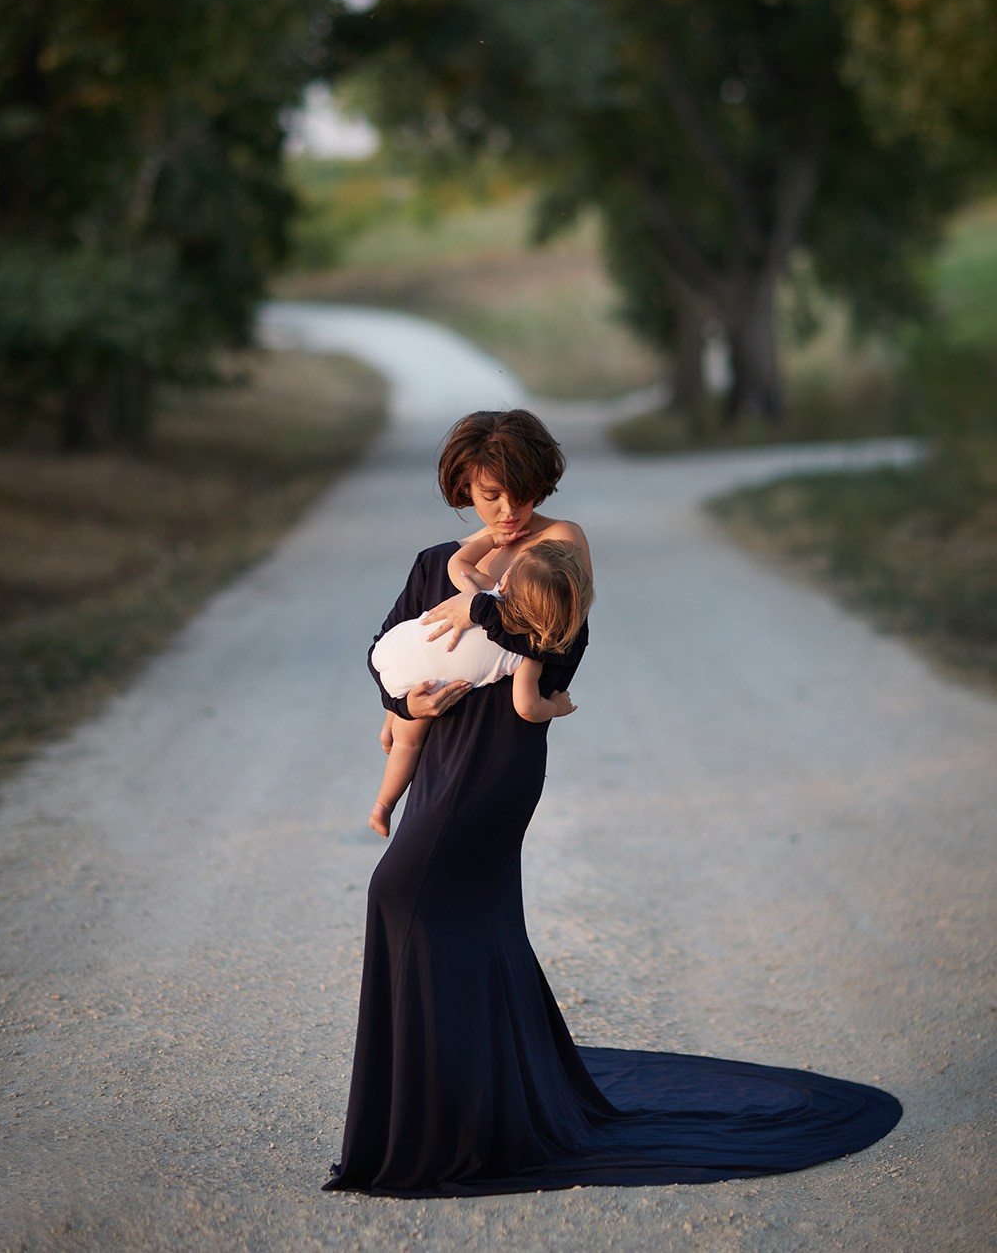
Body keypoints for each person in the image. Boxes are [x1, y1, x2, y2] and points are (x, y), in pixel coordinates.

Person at [325, 408, 900, 1198]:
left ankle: (443, 1111)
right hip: (441, 754)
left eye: (521, 492)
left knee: (398, 890)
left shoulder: (561, 547)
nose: (509, 510)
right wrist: (405, 705)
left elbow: (560, 647)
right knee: (471, 917)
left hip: (499, 761)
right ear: (463, 489)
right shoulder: (434, 562)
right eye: (491, 496)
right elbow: (385, 646)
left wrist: (479, 608)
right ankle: (472, 1101)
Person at [368, 538, 592, 836]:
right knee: (408, 744)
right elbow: (527, 707)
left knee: (408, 701)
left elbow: (456, 564)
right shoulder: (528, 653)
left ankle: (391, 718)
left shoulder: (486, 594)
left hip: (395, 644)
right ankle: (383, 807)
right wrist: (555, 706)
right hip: (418, 681)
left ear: (508, 579)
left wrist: (489, 541)